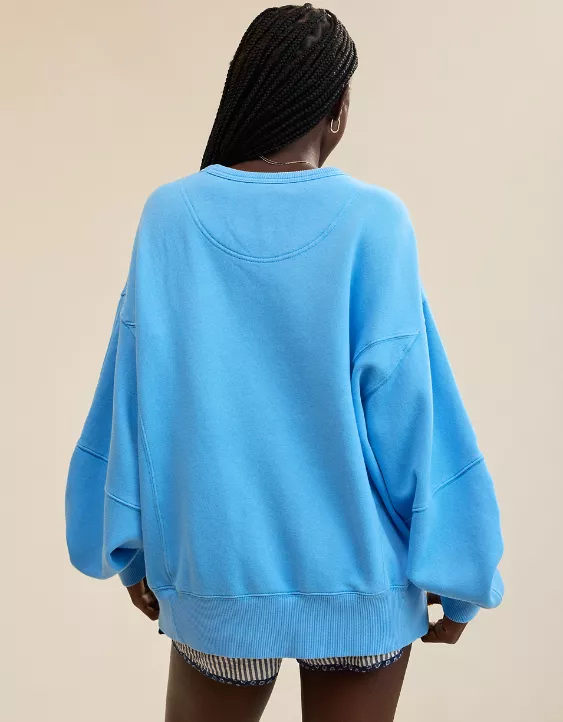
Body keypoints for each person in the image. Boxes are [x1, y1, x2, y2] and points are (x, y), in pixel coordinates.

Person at [65, 4, 504, 721]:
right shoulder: (374, 221)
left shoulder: (170, 217)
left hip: (218, 584)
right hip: (361, 588)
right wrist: (462, 575)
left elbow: (134, 396)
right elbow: (412, 416)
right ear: (337, 110)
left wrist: (129, 546)